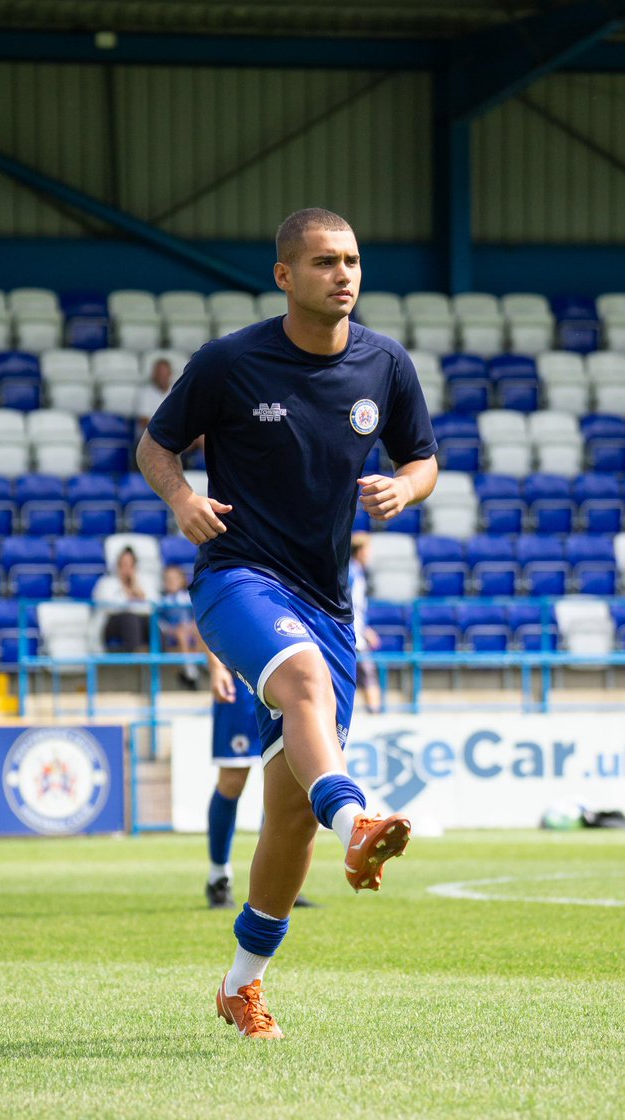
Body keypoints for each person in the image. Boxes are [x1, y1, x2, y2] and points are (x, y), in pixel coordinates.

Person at [137, 206, 438, 1039]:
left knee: (288, 813)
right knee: (301, 684)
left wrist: (405, 489)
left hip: (328, 604)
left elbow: (422, 457)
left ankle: (241, 985)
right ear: (283, 276)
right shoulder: (230, 361)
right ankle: (361, 821)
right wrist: (182, 497)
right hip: (237, 580)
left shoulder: (385, 363)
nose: (342, 274)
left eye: (350, 260)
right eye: (321, 262)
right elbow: (156, 445)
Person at [205, 650, 316, 911]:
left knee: (287, 780)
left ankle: (282, 879)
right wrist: (215, 667)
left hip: (285, 678)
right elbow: (204, 611)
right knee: (233, 779)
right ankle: (218, 877)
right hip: (241, 680)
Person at [91, 546, 159, 653]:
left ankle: (160, 659)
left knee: (152, 623)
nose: (127, 569)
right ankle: (136, 655)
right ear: (118, 565)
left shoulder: (143, 582)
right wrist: (127, 593)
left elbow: (153, 606)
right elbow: (109, 607)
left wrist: (137, 591)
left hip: (139, 620)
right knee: (130, 619)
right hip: (112, 624)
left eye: (130, 565)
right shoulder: (107, 583)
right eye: (123, 565)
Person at [349, 532, 383, 714]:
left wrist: (366, 629)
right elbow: (348, 605)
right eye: (368, 550)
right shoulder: (351, 573)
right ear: (360, 551)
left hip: (357, 634)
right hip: (353, 637)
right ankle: (375, 715)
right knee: (368, 676)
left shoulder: (357, 573)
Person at [159, 564, 204, 688]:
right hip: (172, 633)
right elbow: (160, 622)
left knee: (198, 629)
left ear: (182, 580)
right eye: (168, 579)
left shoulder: (188, 597)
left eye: (174, 579)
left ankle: (203, 663)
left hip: (190, 630)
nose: (171, 582)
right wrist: (171, 629)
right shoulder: (162, 600)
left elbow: (195, 616)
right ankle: (190, 669)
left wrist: (190, 626)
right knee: (181, 633)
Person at [136, 358, 175, 431]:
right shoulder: (145, 393)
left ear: (170, 374)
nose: (162, 377)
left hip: (174, 434)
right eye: (160, 374)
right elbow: (144, 421)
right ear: (154, 375)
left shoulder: (175, 392)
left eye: (165, 374)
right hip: (153, 434)